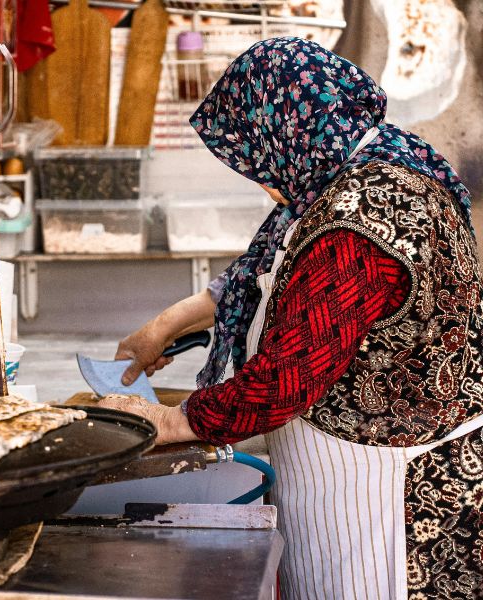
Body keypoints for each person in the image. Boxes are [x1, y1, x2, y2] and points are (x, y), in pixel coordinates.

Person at [98, 37, 483, 600]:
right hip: (339, 474)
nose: (259, 178)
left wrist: (170, 423)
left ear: (292, 130)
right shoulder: (363, 163)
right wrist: (169, 322)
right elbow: (280, 279)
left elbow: (284, 381)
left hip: (386, 497)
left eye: (257, 155)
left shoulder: (360, 222)